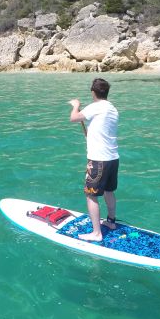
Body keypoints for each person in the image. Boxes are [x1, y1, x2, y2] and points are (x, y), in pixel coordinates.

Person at [68, 78, 119, 242]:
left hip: (99, 160)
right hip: (112, 159)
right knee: (109, 191)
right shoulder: (112, 109)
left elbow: (74, 118)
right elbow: (100, 130)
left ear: (93, 92)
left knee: (91, 195)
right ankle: (111, 222)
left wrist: (75, 105)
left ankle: (96, 233)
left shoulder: (96, 107)